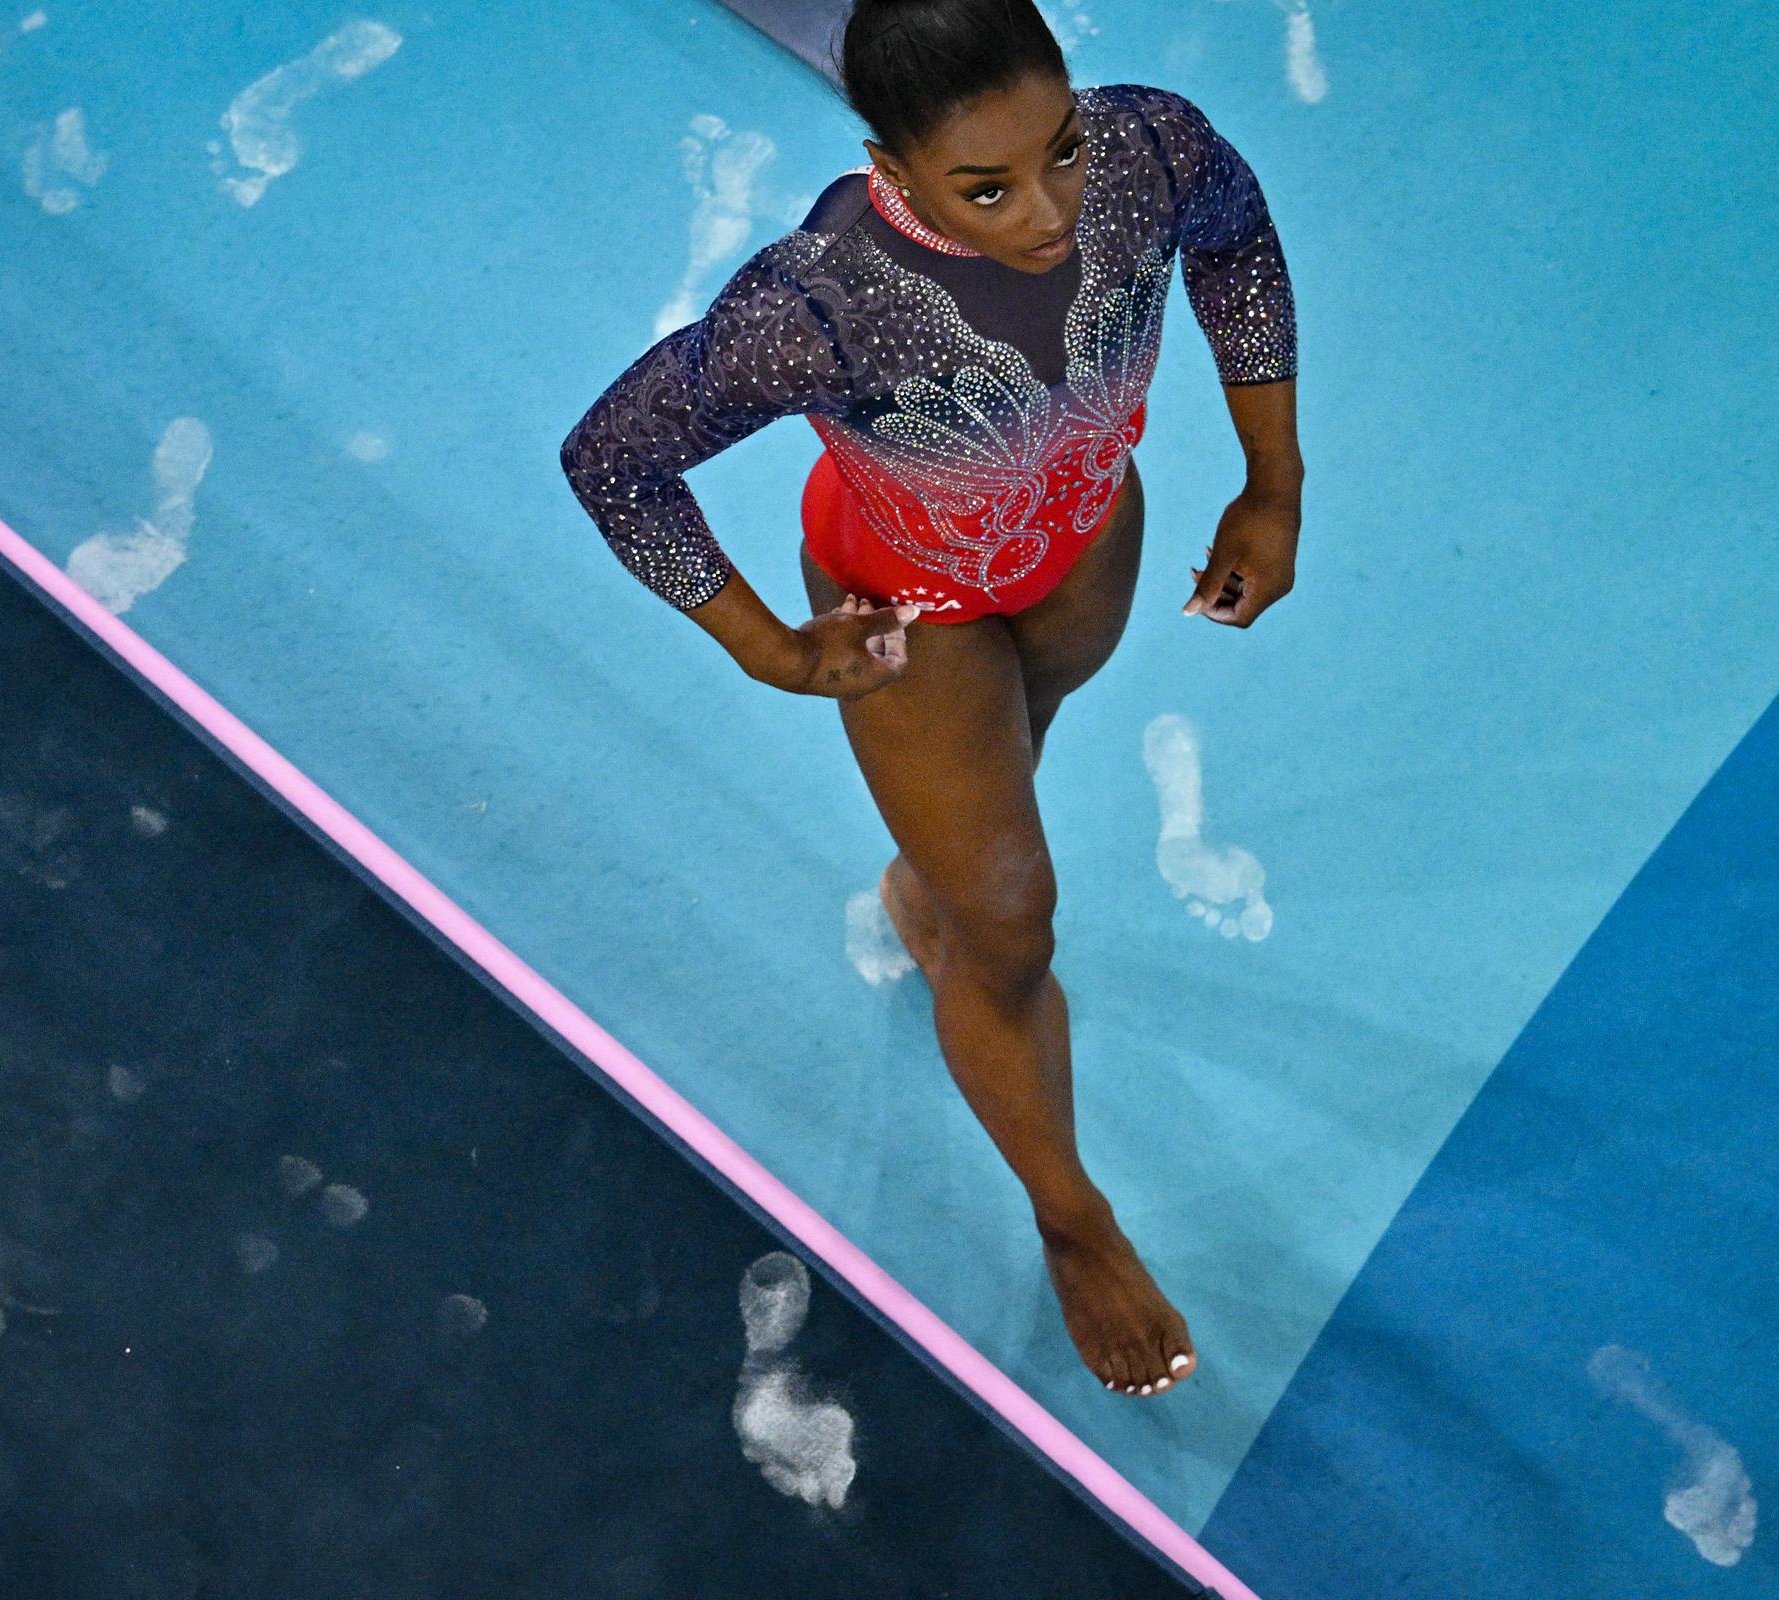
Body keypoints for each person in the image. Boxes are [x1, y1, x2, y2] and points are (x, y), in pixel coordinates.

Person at [558, 0, 1303, 1398]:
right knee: (1014, 926)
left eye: (1060, 152)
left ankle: (930, 883)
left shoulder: (1150, 149)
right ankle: (1073, 1220)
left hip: (1083, 536)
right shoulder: (817, 307)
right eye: (987, 187)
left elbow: (1240, 242)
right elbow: (613, 460)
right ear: (889, 168)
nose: (1051, 210)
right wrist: (768, 646)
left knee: (1010, 789)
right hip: (912, 612)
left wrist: (1277, 477)